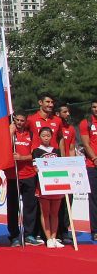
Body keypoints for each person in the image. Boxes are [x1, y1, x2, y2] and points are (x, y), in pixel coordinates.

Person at [6, 111, 43, 246]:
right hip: (13, 175)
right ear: (14, 120)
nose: (19, 123)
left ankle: (29, 234)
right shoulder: (10, 133)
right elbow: (4, 150)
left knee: (30, 206)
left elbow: (36, 154)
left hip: (29, 174)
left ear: (26, 122)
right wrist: (10, 132)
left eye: (22, 121)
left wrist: (22, 158)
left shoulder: (31, 135)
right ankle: (14, 235)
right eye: (17, 120)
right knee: (13, 206)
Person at [32, 127, 65, 248]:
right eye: (43, 135)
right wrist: (38, 169)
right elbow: (35, 167)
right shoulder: (36, 151)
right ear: (39, 137)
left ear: (51, 137)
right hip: (43, 186)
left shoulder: (56, 151)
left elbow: (61, 167)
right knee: (45, 213)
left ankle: (54, 237)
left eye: (48, 135)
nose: (46, 138)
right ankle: (48, 238)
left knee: (55, 213)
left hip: (56, 186)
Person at [55, 104, 77, 244]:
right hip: (54, 168)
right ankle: (53, 231)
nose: (68, 114)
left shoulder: (71, 129)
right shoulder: (54, 127)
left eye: (68, 112)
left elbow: (72, 148)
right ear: (58, 114)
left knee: (68, 199)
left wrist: (72, 165)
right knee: (55, 201)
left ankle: (65, 230)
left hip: (67, 168)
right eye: (65, 112)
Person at [79, 99, 97, 242]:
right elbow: (86, 144)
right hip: (93, 165)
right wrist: (95, 159)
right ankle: (95, 230)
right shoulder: (86, 123)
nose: (96, 109)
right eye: (94, 107)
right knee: (94, 199)